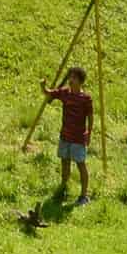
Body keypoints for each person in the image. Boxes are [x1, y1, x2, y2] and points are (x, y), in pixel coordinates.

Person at [44, 66, 94, 206]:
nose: (70, 80)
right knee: (64, 162)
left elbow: (90, 117)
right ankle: (63, 189)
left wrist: (89, 133)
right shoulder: (65, 93)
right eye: (70, 77)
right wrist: (43, 86)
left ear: (80, 81)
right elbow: (49, 93)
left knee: (80, 164)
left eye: (74, 78)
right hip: (65, 136)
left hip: (78, 138)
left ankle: (83, 196)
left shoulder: (86, 99)